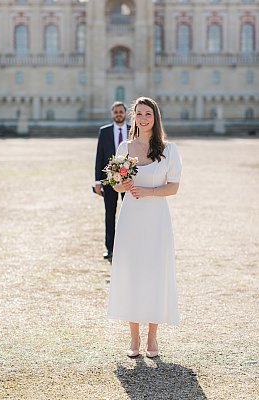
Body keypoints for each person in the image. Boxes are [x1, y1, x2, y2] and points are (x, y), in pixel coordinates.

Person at [107, 97, 182, 358]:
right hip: (131, 218)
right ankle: (133, 338)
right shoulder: (124, 147)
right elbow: (115, 184)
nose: (143, 118)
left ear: (155, 116)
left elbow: (173, 186)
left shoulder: (169, 150)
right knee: (132, 273)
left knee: (154, 274)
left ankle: (153, 338)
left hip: (156, 218)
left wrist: (149, 191)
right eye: (138, 114)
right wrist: (122, 186)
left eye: (147, 113)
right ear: (133, 118)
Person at [95, 101, 130, 260]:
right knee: (110, 215)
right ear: (112, 114)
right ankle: (110, 248)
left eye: (121, 111)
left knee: (129, 214)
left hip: (129, 180)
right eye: (115, 112)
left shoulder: (133, 131)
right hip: (109, 181)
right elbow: (99, 157)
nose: (118, 114)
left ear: (126, 113)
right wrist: (97, 181)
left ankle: (127, 247)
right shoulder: (105, 132)